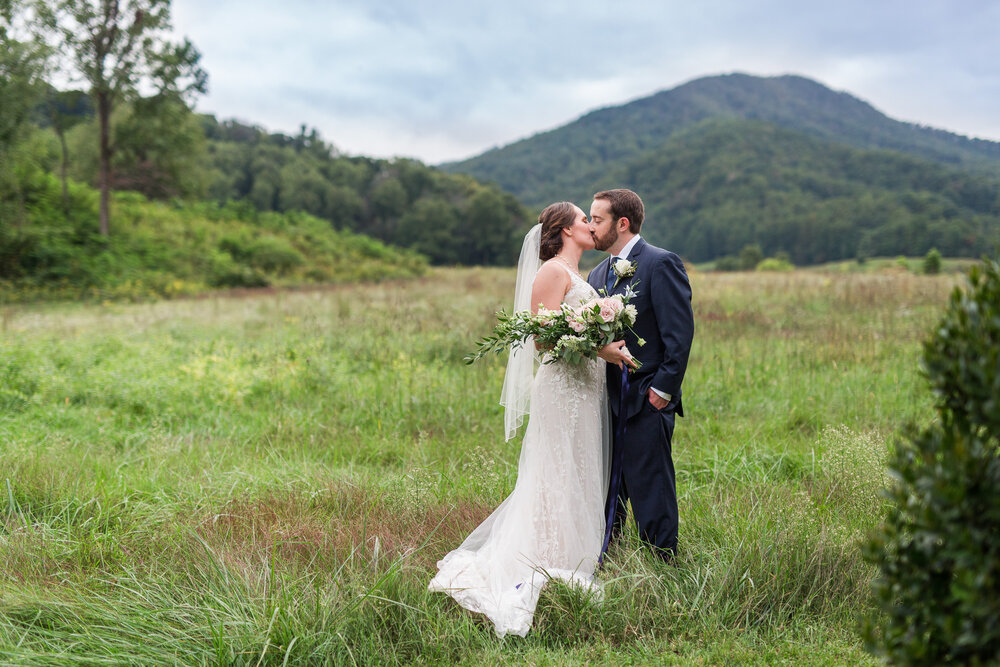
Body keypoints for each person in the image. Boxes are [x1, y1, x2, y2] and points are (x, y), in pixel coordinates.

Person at [429, 202, 633, 638]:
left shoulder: (581, 276)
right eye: (583, 220)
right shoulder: (552, 273)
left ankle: (573, 562)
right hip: (562, 391)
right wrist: (601, 348)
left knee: (579, 472)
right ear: (563, 230)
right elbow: (542, 340)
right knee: (554, 475)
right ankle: (543, 563)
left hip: (586, 391)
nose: (589, 225)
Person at [586, 189, 694, 562]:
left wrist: (662, 390)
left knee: (651, 486)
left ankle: (661, 565)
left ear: (622, 223)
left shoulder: (661, 263)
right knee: (606, 490)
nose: (589, 226)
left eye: (596, 219)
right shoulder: (596, 273)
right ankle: (607, 558)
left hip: (647, 396)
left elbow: (678, 335)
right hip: (604, 399)